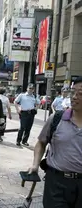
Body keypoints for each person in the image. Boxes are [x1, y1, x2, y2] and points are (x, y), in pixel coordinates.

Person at [28, 76, 82, 207]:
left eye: (80, 94)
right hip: (57, 182)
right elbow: (41, 143)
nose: (74, 97)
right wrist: (35, 164)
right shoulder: (56, 118)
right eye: (72, 92)